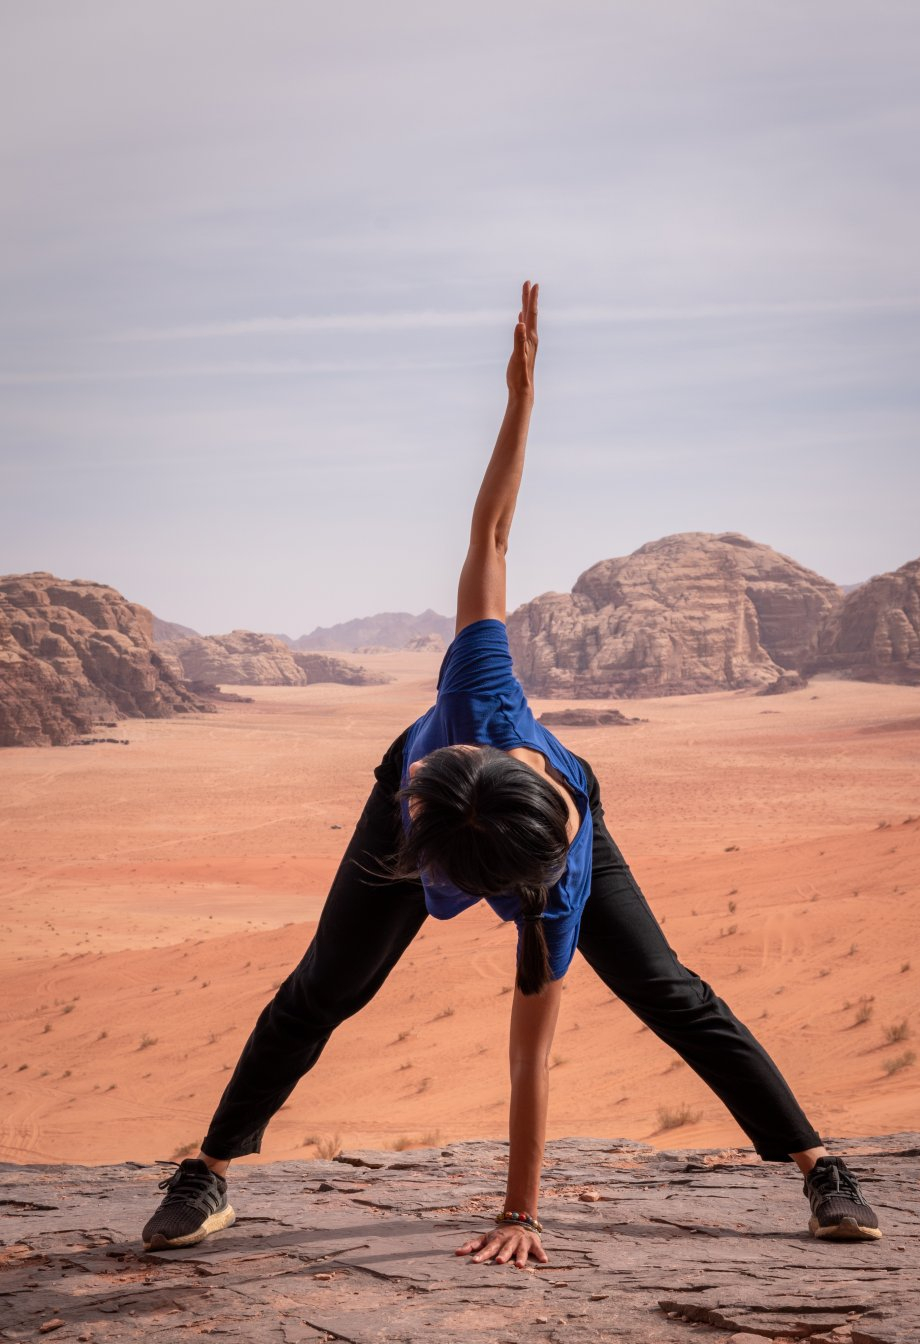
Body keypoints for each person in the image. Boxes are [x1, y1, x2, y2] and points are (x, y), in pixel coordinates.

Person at [142, 281, 880, 1261]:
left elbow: (529, 1051)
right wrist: (521, 399)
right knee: (322, 988)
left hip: (494, 838)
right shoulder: (473, 699)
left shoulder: (557, 885)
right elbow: (490, 534)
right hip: (417, 817)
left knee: (669, 990)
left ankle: (818, 1163)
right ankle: (212, 1170)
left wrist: (519, 1213)